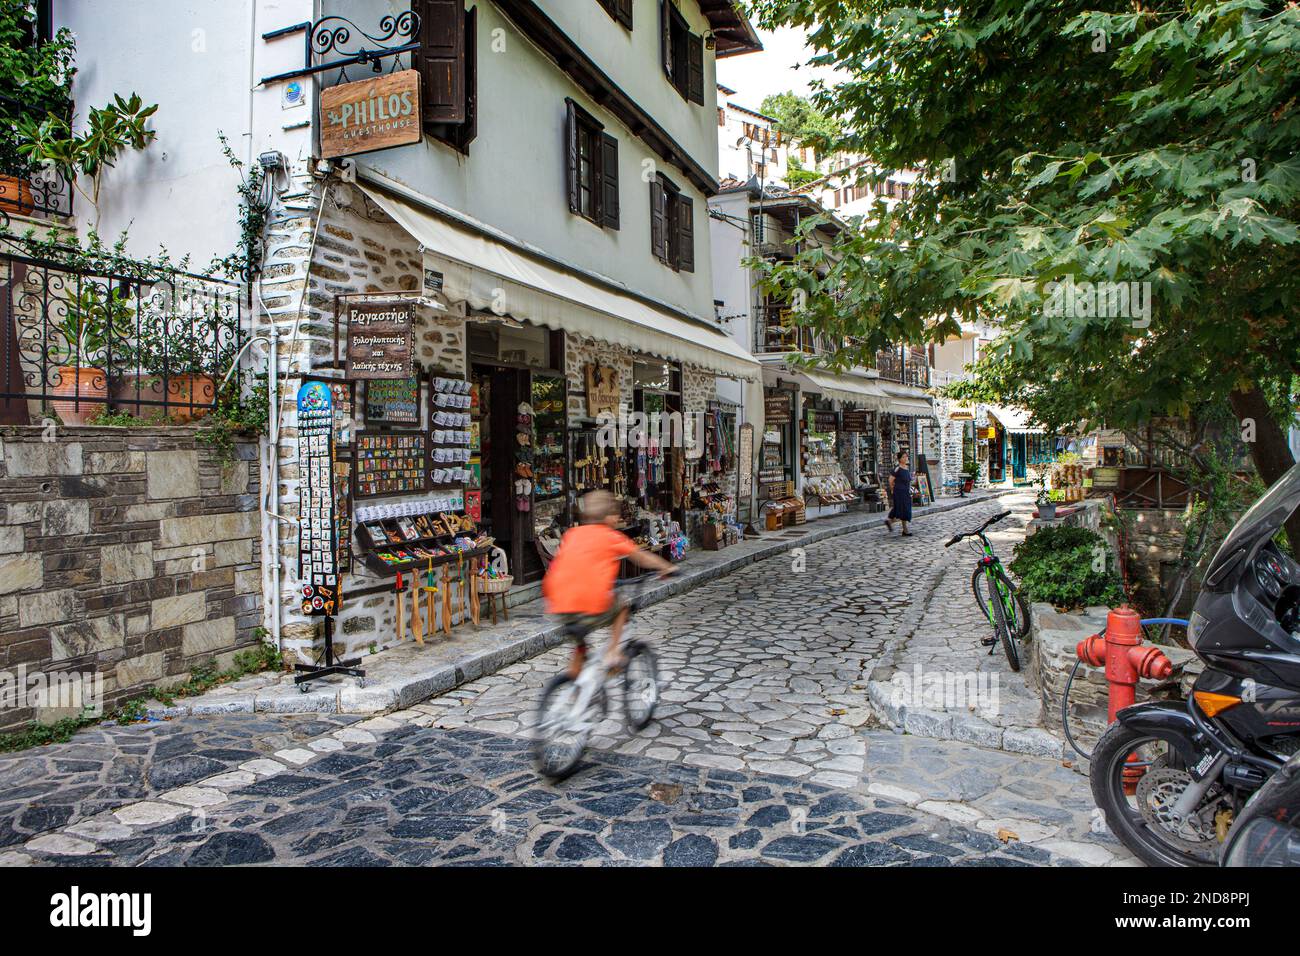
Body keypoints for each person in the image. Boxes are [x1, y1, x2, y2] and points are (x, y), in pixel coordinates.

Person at [542, 490, 676, 679]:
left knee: (580, 642)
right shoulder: (610, 536)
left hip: (559, 602)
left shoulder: (572, 533)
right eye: (616, 514)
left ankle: (574, 690)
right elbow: (641, 557)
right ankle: (613, 652)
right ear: (609, 517)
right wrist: (666, 566)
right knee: (622, 608)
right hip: (589, 601)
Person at [885, 450, 914, 536]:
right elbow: (890, 480)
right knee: (902, 509)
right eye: (903, 457)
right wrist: (892, 489)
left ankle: (891, 522)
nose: (905, 458)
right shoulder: (897, 468)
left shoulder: (906, 468)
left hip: (906, 492)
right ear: (899, 459)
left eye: (906, 457)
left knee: (902, 509)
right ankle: (903, 529)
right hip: (899, 492)